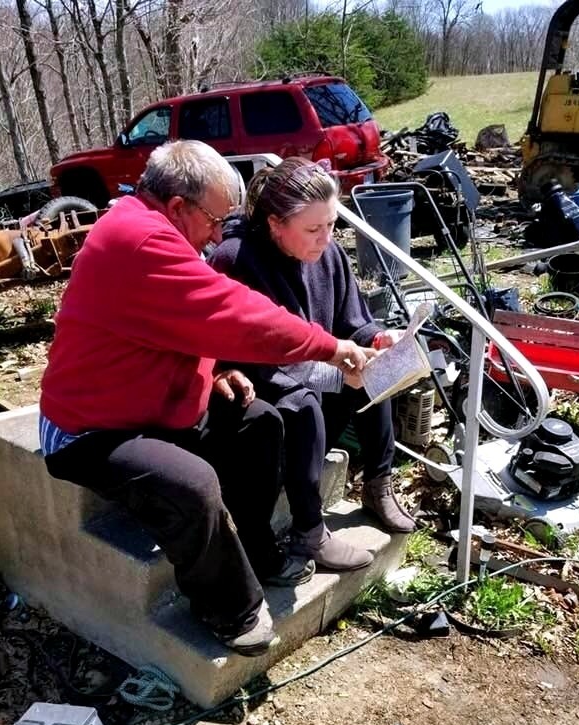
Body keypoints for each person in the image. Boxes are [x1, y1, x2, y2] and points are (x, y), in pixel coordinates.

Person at [39, 141, 373, 657]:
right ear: (178, 207)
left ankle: (259, 551)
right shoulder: (139, 241)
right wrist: (330, 348)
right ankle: (227, 608)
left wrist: (218, 368)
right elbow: (234, 312)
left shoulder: (158, 227)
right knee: (193, 485)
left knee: (261, 423)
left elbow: (180, 323)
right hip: (90, 428)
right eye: (217, 220)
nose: (220, 234)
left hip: (155, 400)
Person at [208, 157, 415, 572]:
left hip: (319, 373)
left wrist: (377, 340)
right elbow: (251, 357)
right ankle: (310, 531)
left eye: (332, 225)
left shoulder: (330, 254)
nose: (325, 239)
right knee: (302, 404)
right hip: (256, 388)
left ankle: (378, 483)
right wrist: (338, 372)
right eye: (313, 229)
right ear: (274, 224)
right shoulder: (236, 260)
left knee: (380, 372)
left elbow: (351, 323)